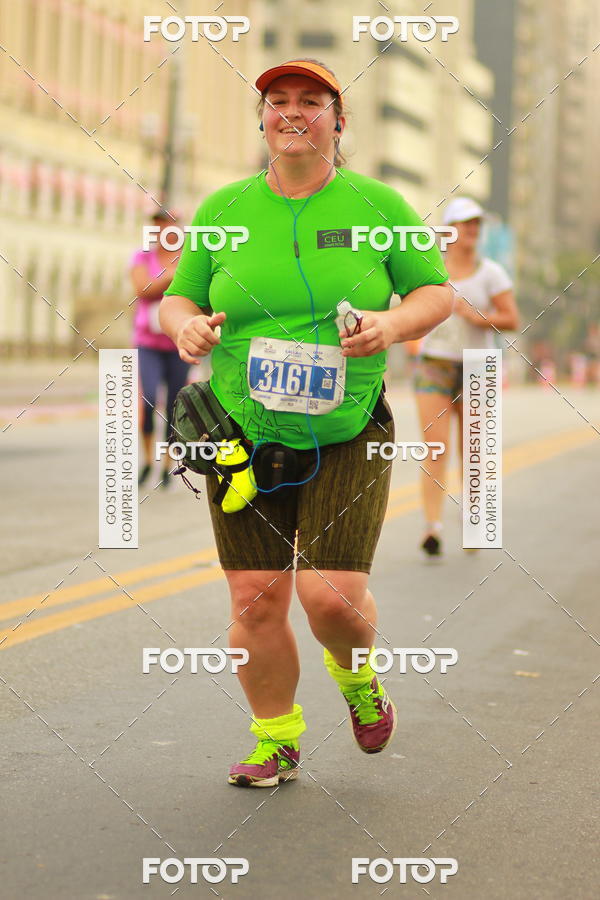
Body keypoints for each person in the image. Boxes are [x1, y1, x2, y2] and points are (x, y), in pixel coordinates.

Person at [159, 59, 453, 786]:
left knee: (332, 597)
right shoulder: (225, 210)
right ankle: (276, 739)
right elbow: (180, 299)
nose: (294, 111)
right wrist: (187, 330)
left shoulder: (378, 204)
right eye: (278, 101)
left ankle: (358, 682)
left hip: (347, 428)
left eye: (312, 101)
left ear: (337, 119)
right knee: (255, 600)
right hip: (242, 435)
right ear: (262, 119)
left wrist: (390, 323)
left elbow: (436, 294)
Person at [413, 197, 519, 556]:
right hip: (435, 364)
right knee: (436, 448)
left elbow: (511, 318)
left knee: (473, 452)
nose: (472, 230)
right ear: (449, 230)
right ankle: (433, 528)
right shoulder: (431, 270)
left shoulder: (491, 273)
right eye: (465, 224)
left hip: (478, 366)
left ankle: (474, 521)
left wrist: (478, 317)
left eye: (476, 224)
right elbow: (411, 310)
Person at [130, 210, 190, 487]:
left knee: (176, 404)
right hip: (148, 343)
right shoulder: (142, 258)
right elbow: (143, 289)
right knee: (149, 398)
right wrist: (170, 277)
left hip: (178, 340)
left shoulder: (189, 258)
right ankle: (146, 460)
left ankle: (167, 464)